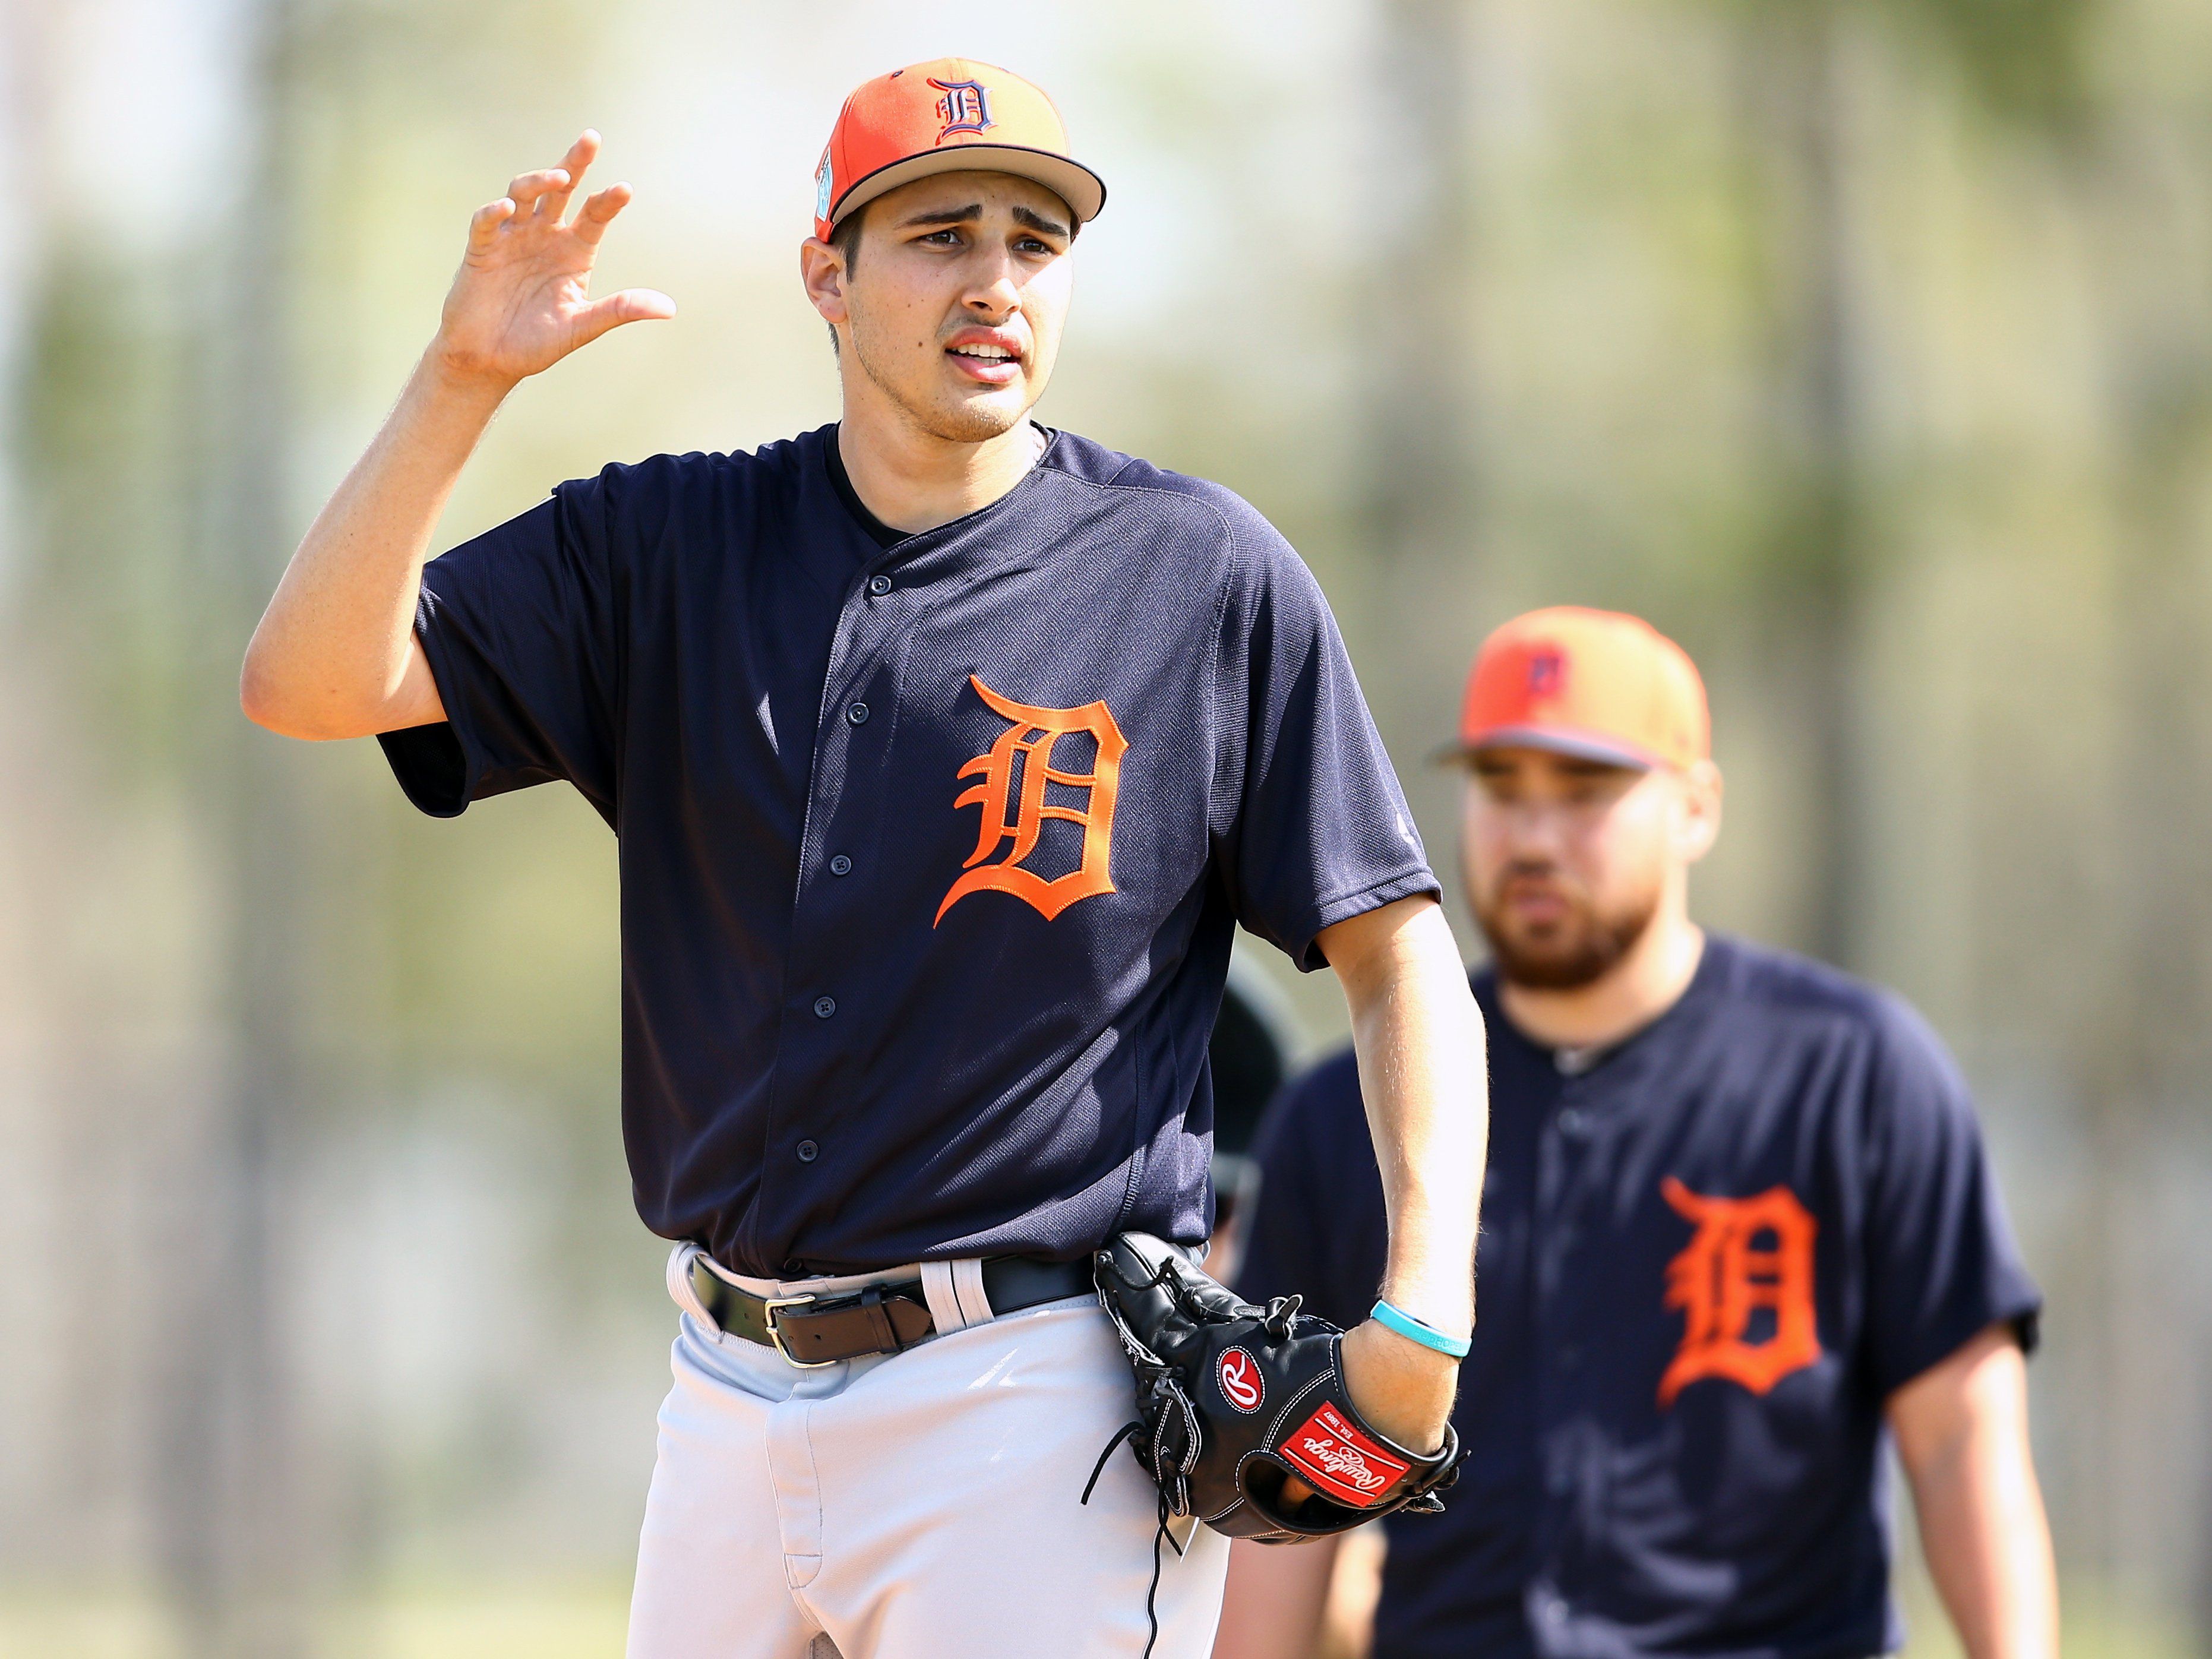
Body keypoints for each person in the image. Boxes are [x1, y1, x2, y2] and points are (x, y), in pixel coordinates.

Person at [238, 57, 1488, 1659]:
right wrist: (461, 381)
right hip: (723, 1391)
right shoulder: (670, 548)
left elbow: (1400, 960)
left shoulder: (1193, 576)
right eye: (938, 235)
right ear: (825, 272)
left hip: (1032, 1404)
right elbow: (311, 681)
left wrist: (1424, 1306)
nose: (994, 281)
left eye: (1036, 242)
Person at [1216, 607, 2056, 1659]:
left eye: (1585, 793)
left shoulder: (1855, 1075)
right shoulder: (1357, 1110)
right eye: (1502, 788)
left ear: (1697, 806)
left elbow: (1961, 1441)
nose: (1532, 836)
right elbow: (1282, 1505)